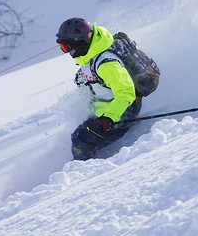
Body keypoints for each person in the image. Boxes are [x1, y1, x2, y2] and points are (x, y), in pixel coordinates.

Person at [56, 17, 142, 160]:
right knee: (80, 134)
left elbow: (127, 92)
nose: (67, 53)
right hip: (107, 110)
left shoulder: (107, 64)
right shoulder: (92, 55)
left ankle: (86, 172)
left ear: (79, 42)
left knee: (80, 141)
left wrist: (109, 117)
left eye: (66, 47)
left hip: (121, 112)